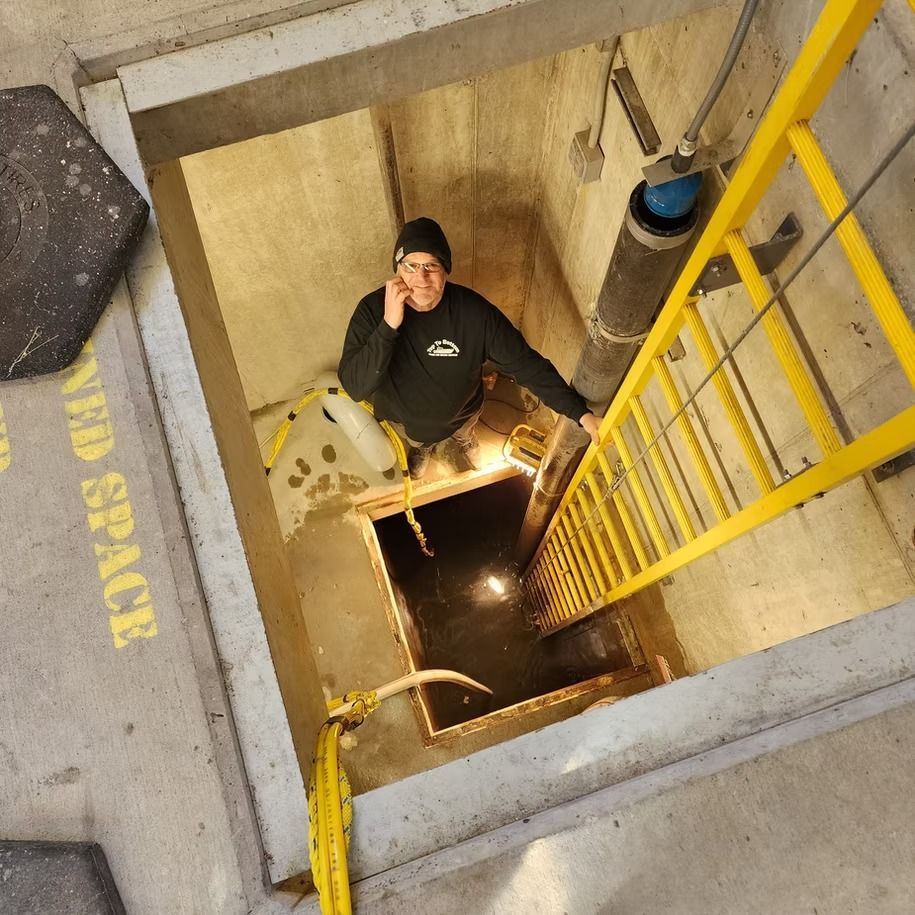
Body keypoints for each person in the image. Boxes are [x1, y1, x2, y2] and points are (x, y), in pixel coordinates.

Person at [338, 217, 600, 479]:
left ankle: (466, 441)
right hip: (409, 423)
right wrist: (388, 326)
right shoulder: (373, 311)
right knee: (418, 439)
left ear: (445, 269)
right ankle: (422, 449)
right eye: (411, 265)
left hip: (463, 416)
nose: (421, 277)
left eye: (431, 265)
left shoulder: (474, 314)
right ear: (398, 270)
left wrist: (580, 414)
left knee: (464, 431)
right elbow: (355, 386)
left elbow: (527, 365)